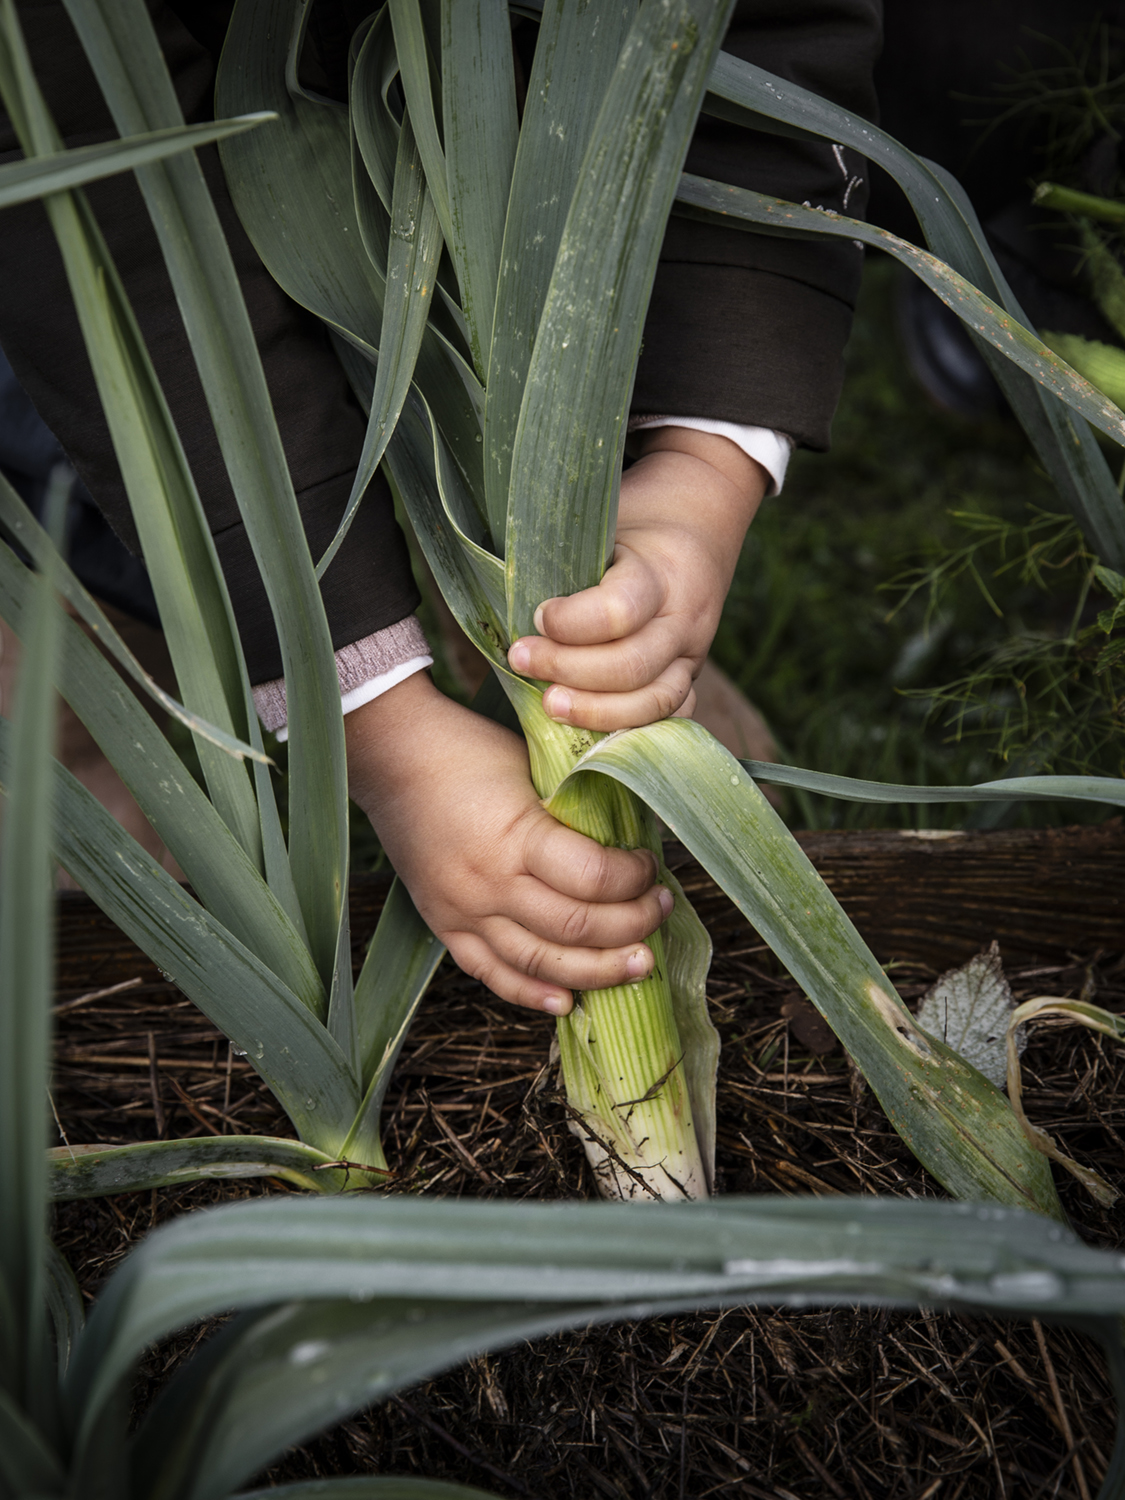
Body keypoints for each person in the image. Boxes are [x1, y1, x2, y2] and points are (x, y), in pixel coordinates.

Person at [0, 0, 880, 1012]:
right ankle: (104, 734)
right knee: (98, 596)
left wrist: (697, 476)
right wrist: (385, 737)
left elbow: (777, 42)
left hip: (492, 236)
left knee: (554, 556)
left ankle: (542, 637)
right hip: (104, 303)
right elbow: (97, 212)